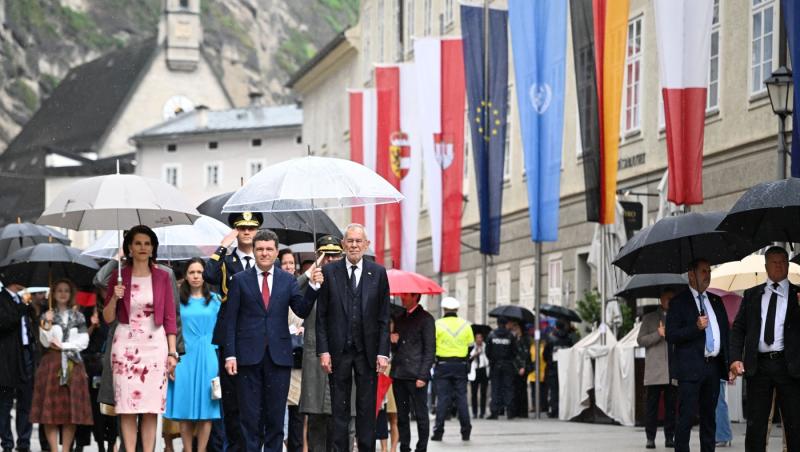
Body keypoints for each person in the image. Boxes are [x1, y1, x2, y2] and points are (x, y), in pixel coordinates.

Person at [224, 229, 320, 452]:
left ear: (276, 252)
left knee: (276, 420)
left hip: (279, 358)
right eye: (260, 249)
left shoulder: (288, 280)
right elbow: (231, 321)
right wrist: (230, 354)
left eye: (269, 249)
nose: (264, 253)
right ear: (254, 251)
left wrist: (313, 287)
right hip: (248, 358)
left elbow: (301, 310)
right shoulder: (239, 280)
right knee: (250, 419)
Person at [313, 223, 391, 452]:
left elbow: (384, 317)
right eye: (350, 241)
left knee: (367, 409)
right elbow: (321, 316)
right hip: (338, 352)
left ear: (366, 245)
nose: (354, 245)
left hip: (368, 352)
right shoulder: (329, 272)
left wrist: (383, 352)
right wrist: (323, 351)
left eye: (358, 241)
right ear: (343, 244)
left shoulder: (378, 273)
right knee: (339, 409)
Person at [103, 225, 180, 452]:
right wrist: (115, 297)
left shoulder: (163, 276)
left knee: (150, 407)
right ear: (129, 247)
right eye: (138, 243)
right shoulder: (118, 276)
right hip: (125, 345)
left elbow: (170, 317)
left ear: (153, 248)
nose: (143, 247)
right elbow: (108, 318)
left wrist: (172, 352)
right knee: (126, 406)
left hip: (155, 345)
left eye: (147, 243)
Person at [729, 246, 800, 452]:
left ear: (788, 265)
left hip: (789, 366)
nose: (779, 266)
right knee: (756, 426)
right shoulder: (752, 295)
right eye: (774, 262)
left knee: (795, 424)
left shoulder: (797, 293)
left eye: (783, 262)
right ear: (766, 266)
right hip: (758, 366)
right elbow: (738, 329)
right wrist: (735, 358)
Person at [203, 211, 263, 452]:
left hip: (258, 333)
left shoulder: (265, 259)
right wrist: (222, 246)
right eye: (242, 228)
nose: (246, 232)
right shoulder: (227, 260)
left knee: (257, 399)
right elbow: (209, 275)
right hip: (232, 333)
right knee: (232, 399)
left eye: (251, 228)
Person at [666, 258, 729, 452]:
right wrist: (695, 327)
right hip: (690, 369)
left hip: (713, 368)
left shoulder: (716, 301)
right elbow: (671, 335)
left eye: (709, 271)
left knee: (709, 418)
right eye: (703, 271)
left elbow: (725, 333)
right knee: (686, 418)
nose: (707, 275)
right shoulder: (678, 302)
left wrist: (730, 362)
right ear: (691, 275)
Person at [165, 258, 222, 452]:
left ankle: (202, 450)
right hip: (184, 356)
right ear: (186, 275)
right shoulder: (177, 301)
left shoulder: (216, 300)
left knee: (207, 410)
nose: (196, 276)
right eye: (192, 272)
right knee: (185, 409)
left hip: (209, 355)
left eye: (200, 272)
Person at [30, 279, 93, 452]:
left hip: (74, 364)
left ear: (71, 294)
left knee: (70, 412)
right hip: (51, 365)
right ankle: (54, 450)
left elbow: (84, 341)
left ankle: (66, 449)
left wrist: (64, 346)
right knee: (50, 411)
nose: (63, 293)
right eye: (59, 290)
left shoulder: (78, 316)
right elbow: (45, 342)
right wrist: (46, 324)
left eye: (66, 290)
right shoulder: (47, 315)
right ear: (53, 293)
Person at [299, 235, 343, 452]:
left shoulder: (347, 281)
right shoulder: (311, 283)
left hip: (341, 357)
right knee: (316, 419)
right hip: (315, 358)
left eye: (335, 255)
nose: (330, 259)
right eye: (326, 255)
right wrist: (310, 274)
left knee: (341, 419)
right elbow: (290, 292)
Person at [390, 292, 435, 452]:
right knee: (402, 415)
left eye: (406, 295)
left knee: (421, 415)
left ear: (415, 296)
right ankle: (405, 447)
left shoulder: (426, 319)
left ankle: (421, 448)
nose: (402, 297)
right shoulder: (400, 318)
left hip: (416, 375)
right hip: (399, 374)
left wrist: (423, 375)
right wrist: (393, 341)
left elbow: (430, 350)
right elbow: (397, 348)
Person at [0, 275, 36, 452]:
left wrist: (29, 306)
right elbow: (5, 322)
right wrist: (22, 305)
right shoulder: (2, 299)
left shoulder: (23, 300)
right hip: (6, 358)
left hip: (26, 354)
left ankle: (24, 442)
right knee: (5, 402)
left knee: (26, 400)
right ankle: (7, 442)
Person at [637, 287, 677, 449]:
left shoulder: (677, 317)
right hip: (655, 370)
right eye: (667, 298)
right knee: (651, 407)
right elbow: (640, 340)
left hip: (672, 369)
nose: (670, 301)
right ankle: (650, 438)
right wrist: (658, 334)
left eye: (672, 298)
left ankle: (670, 437)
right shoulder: (649, 318)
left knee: (671, 407)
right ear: (661, 299)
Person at [431, 297, 473, 442]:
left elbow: (431, 344)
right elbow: (471, 346)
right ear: (457, 310)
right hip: (460, 365)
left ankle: (438, 432)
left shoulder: (438, 324)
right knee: (462, 398)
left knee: (442, 399)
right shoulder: (466, 325)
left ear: (444, 309)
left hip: (442, 364)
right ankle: (466, 431)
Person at [543, 319, 576, 418]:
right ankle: (565, 409)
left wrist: (549, 361)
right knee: (565, 389)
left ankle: (554, 410)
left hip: (553, 367)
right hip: (565, 367)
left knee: (554, 390)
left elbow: (545, 354)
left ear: (555, 326)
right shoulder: (569, 339)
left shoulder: (551, 339)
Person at [486, 317, 516, 420]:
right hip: (507, 364)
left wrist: (493, 360)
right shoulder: (510, 336)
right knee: (508, 388)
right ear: (506, 324)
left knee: (495, 388)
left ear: (497, 323)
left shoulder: (491, 335)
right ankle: (510, 412)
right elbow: (514, 351)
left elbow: (487, 351)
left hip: (495, 365)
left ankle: (494, 412)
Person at [508, 320, 530, 418]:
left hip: (522, 368)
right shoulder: (513, 339)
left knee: (522, 390)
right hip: (514, 368)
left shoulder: (525, 340)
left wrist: (523, 367)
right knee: (515, 390)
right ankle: (515, 411)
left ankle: (523, 412)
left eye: (516, 327)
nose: (514, 329)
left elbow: (525, 355)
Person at [468, 333, 489, 419]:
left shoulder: (486, 347)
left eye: (480, 337)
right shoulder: (472, 347)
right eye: (477, 338)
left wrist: (482, 352)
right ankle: (474, 412)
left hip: (483, 369)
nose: (479, 339)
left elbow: (489, 357)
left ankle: (482, 412)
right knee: (474, 393)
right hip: (474, 370)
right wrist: (475, 353)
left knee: (483, 392)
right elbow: (469, 359)